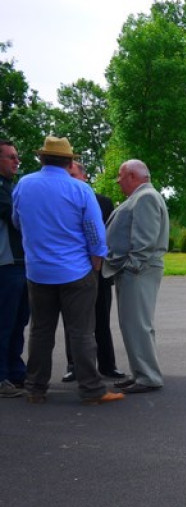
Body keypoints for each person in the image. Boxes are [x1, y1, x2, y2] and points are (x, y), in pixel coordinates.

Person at [11, 136, 123, 405]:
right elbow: (95, 235)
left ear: (41, 158)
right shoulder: (80, 190)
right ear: (70, 161)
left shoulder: (24, 185)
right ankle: (91, 390)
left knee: (40, 331)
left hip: (38, 271)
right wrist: (96, 264)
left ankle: (35, 388)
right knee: (82, 332)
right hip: (75, 270)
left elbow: (17, 222)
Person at [104, 159, 169, 394]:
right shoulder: (143, 196)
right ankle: (141, 373)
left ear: (132, 175)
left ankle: (148, 376)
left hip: (138, 272)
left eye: (121, 176)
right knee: (134, 324)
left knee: (137, 324)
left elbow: (145, 239)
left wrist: (132, 266)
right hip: (136, 271)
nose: (118, 181)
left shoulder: (146, 198)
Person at [61, 160, 125, 383]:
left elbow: (108, 237)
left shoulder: (104, 203)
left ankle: (108, 365)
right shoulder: (61, 201)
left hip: (98, 271)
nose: (69, 179)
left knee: (101, 320)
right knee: (73, 321)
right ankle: (74, 366)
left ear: (85, 177)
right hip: (72, 270)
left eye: (73, 174)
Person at [0, 140, 30, 398]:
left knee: (19, 321)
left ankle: (15, 371)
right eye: (11, 157)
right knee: (4, 322)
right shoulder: (3, 191)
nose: (16, 161)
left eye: (16, 157)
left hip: (21, 263)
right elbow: (15, 214)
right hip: (6, 264)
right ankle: (1, 377)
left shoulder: (12, 187)